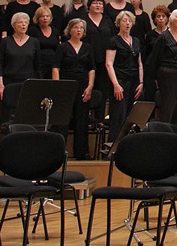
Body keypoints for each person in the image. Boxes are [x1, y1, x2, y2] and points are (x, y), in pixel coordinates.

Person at [54, 18, 98, 160]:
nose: (79, 30)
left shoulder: (88, 47)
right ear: (70, 30)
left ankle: (81, 152)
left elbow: (91, 69)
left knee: (82, 120)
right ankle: (58, 152)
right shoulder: (63, 47)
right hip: (66, 85)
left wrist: (90, 86)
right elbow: (56, 68)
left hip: (83, 86)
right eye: (76, 27)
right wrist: (58, 86)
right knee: (63, 120)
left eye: (81, 28)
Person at [105, 10, 143, 140]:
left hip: (133, 81)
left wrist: (141, 82)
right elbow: (109, 64)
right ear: (118, 23)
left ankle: (128, 145)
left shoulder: (136, 41)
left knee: (131, 115)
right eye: (124, 21)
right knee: (118, 116)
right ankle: (113, 147)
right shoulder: (113, 41)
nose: (127, 23)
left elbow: (139, 63)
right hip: (119, 81)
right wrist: (116, 84)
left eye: (129, 21)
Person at [151, 8, 177, 122]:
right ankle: (166, 131)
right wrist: (155, 78)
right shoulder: (163, 36)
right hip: (167, 73)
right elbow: (155, 58)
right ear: (172, 19)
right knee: (168, 105)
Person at [0, 11, 39, 112]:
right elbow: (0, 63)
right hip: (9, 81)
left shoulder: (34, 42)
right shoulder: (6, 41)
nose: (23, 25)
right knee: (8, 112)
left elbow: (37, 66)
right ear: (13, 25)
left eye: (25, 22)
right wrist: (0, 85)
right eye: (20, 22)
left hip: (27, 82)